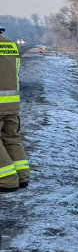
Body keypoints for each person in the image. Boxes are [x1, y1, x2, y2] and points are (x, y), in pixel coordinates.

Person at [0, 26, 29, 192]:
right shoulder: (11, 45)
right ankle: (22, 176)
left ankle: (7, 180)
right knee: (11, 138)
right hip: (11, 103)